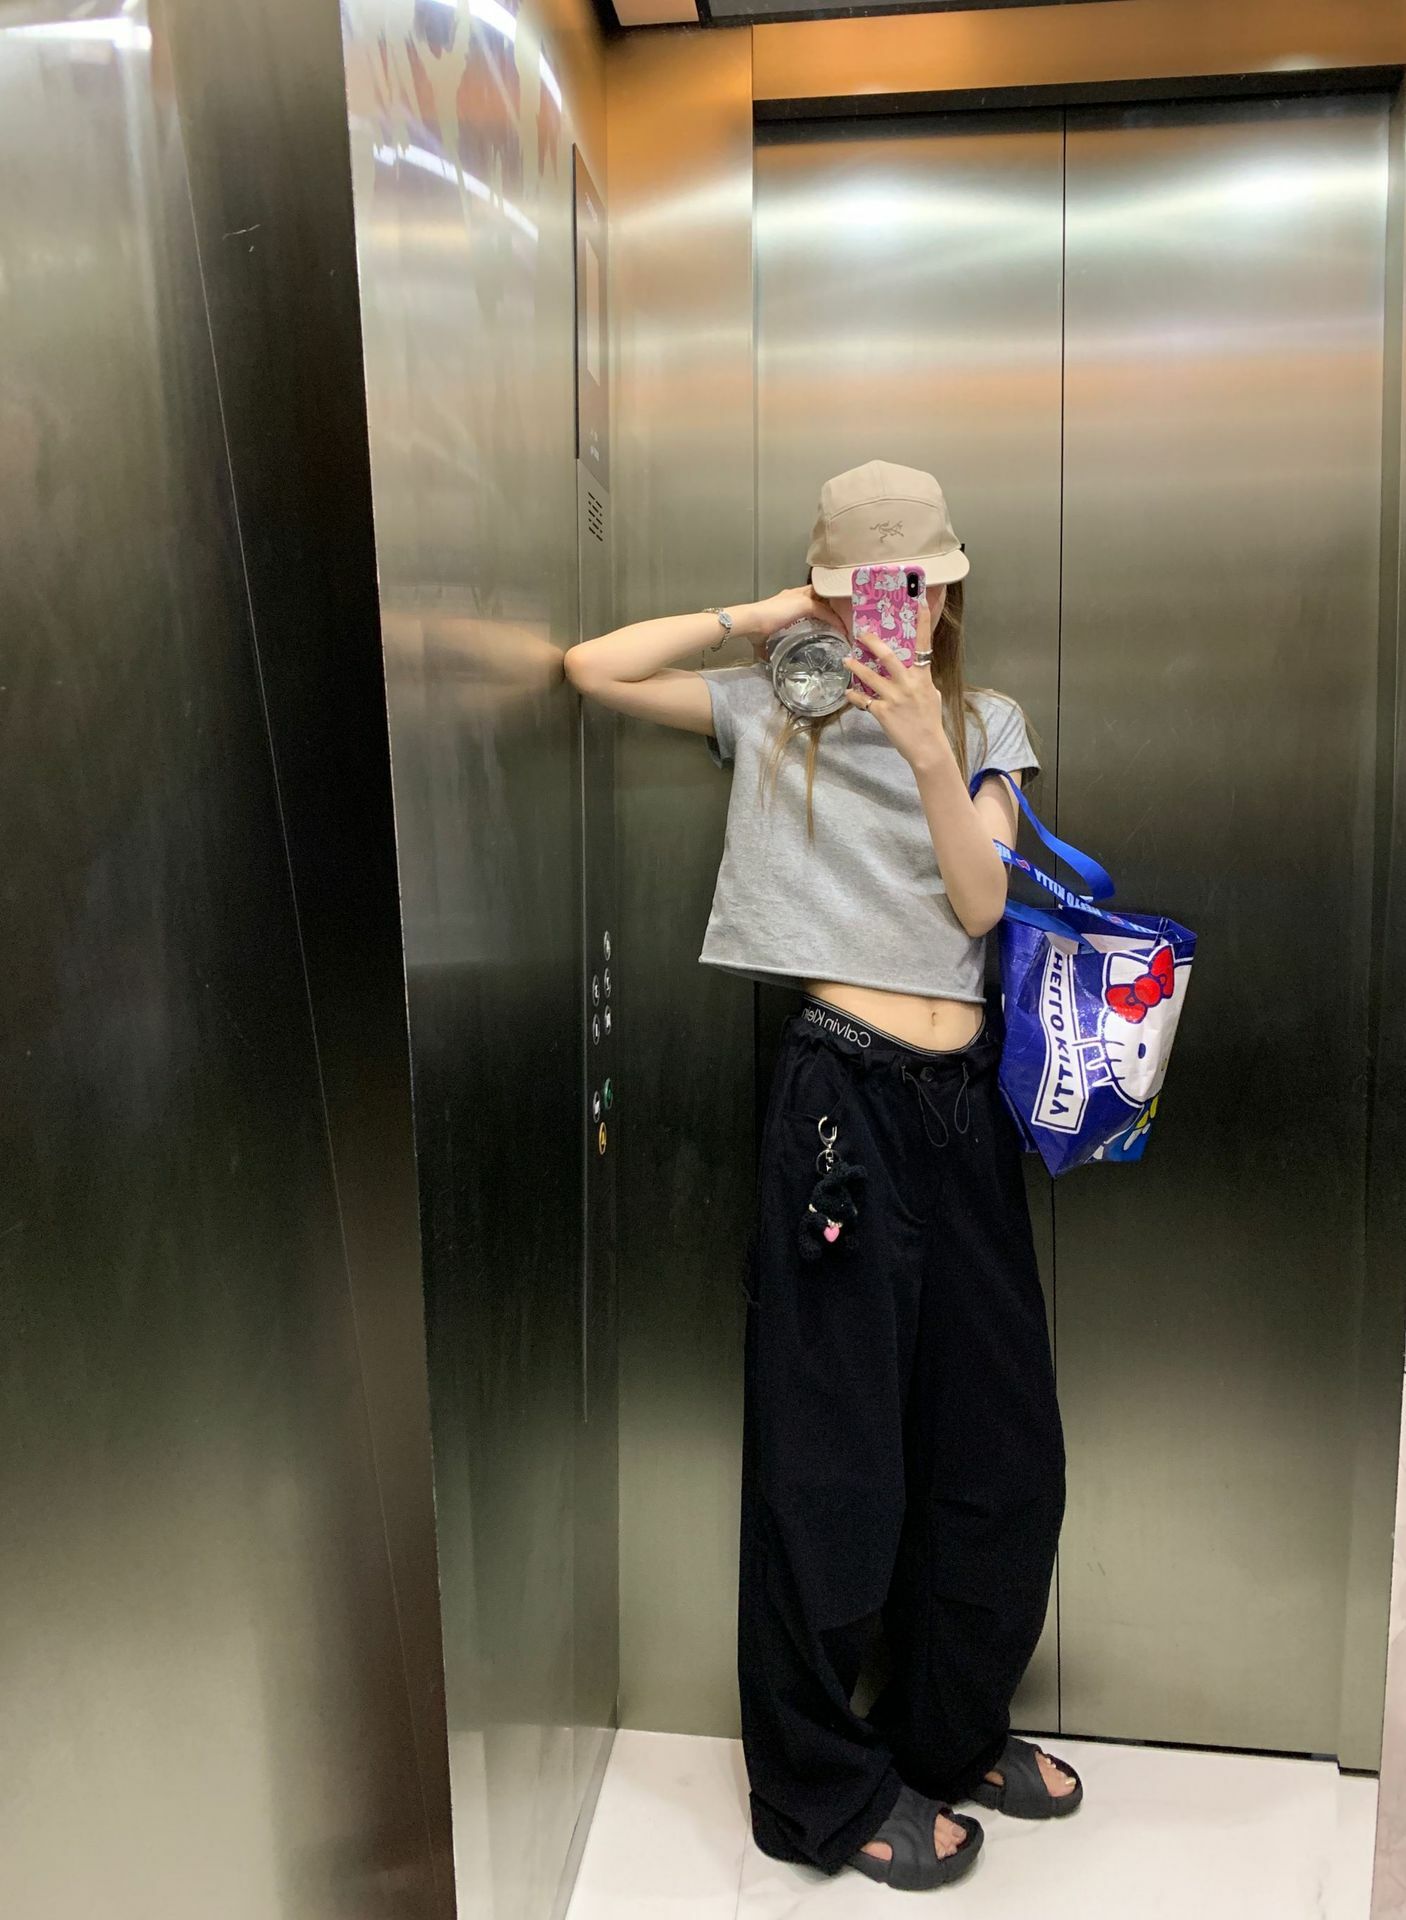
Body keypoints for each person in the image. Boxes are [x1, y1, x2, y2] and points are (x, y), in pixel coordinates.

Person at [564, 460, 1078, 1893]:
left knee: (1003, 1455)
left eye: (921, 587)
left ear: (951, 591)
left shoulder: (984, 723)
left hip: (965, 1113)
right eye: (872, 590)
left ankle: (947, 1731)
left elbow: (980, 901)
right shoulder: (769, 713)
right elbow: (591, 668)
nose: (903, 613)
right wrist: (770, 614)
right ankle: (817, 1791)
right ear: (837, 591)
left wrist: (926, 748)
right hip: (840, 1101)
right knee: (831, 1461)